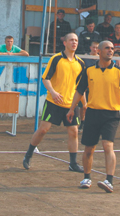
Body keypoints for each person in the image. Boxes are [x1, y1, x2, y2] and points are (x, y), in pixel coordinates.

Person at [67, 40, 120, 193]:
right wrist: (71, 109)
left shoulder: (119, 71)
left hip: (111, 114)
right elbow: (79, 91)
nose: (110, 51)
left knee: (108, 145)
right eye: (107, 48)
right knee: (89, 148)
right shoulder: (89, 71)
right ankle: (87, 177)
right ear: (99, 52)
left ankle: (109, 180)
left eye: (112, 49)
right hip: (93, 113)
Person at [23, 33, 85, 172]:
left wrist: (84, 103)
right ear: (65, 43)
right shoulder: (56, 59)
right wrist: (53, 92)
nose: (74, 42)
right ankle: (29, 154)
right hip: (54, 102)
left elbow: (81, 86)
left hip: (71, 103)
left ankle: (73, 163)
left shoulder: (80, 63)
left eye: (76, 40)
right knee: (43, 129)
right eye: (71, 40)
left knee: (74, 132)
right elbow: (46, 78)